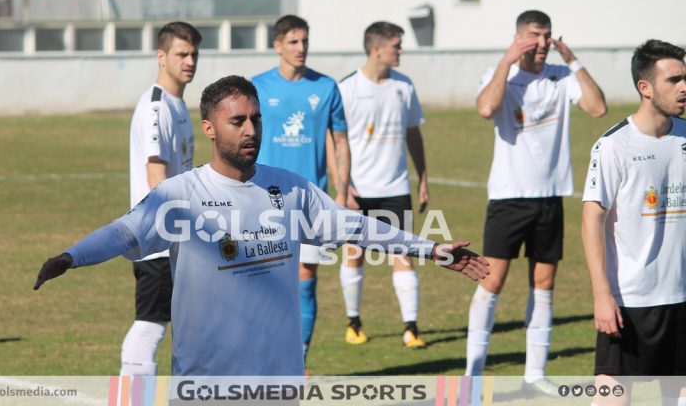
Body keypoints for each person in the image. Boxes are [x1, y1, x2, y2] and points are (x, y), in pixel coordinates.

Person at [34, 75, 490, 376]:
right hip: (207, 383)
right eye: (238, 121)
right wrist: (71, 257)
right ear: (210, 128)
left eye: (256, 119)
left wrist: (429, 249)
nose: (251, 129)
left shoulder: (289, 189)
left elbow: (356, 227)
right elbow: (123, 233)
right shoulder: (181, 195)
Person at [465, 9, 607, 394]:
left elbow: (597, 108)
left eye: (546, 36)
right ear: (517, 37)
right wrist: (507, 59)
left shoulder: (561, 77)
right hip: (509, 198)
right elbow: (485, 108)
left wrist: (573, 59)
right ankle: (472, 376)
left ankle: (534, 373)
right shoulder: (503, 76)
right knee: (491, 282)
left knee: (544, 284)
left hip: (549, 199)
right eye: (533, 36)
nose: (542, 44)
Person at [582, 39, 686, 402]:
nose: (684, 87)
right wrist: (601, 295)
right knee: (614, 394)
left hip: (681, 294)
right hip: (631, 299)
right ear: (645, 87)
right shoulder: (614, 146)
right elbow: (591, 219)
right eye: (674, 80)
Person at [251, 14, 350, 367]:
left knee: (306, 278)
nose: (301, 48)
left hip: (311, 201)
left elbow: (340, 139)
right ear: (277, 45)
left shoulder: (325, 87)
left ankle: (299, 360)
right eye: (293, 42)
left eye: (305, 41)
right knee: (265, 281)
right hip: (263, 199)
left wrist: (342, 189)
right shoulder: (258, 86)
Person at [337, 21, 429, 348]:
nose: (401, 50)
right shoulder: (347, 88)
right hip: (359, 190)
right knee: (355, 254)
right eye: (396, 45)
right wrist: (342, 186)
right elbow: (334, 141)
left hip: (396, 188)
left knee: (403, 254)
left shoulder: (404, 86)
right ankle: (354, 322)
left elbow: (413, 133)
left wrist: (423, 178)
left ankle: (411, 327)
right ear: (377, 49)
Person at [121, 21, 201, 376]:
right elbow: (158, 181)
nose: (189, 61)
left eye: (194, 54)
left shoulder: (178, 104)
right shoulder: (156, 107)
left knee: (179, 328)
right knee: (150, 325)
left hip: (174, 240)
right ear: (161, 56)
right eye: (181, 54)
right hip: (157, 239)